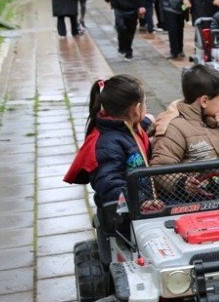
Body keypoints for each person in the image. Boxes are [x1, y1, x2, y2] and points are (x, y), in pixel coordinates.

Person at [63, 75, 153, 208]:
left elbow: (129, 134)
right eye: (145, 103)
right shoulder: (106, 147)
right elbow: (111, 187)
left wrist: (149, 121)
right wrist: (142, 202)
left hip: (140, 203)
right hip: (124, 216)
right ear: (137, 109)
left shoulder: (122, 127)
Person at [151, 64, 219, 168]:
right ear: (204, 101)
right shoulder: (173, 129)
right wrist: (183, 182)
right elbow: (160, 168)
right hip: (199, 183)